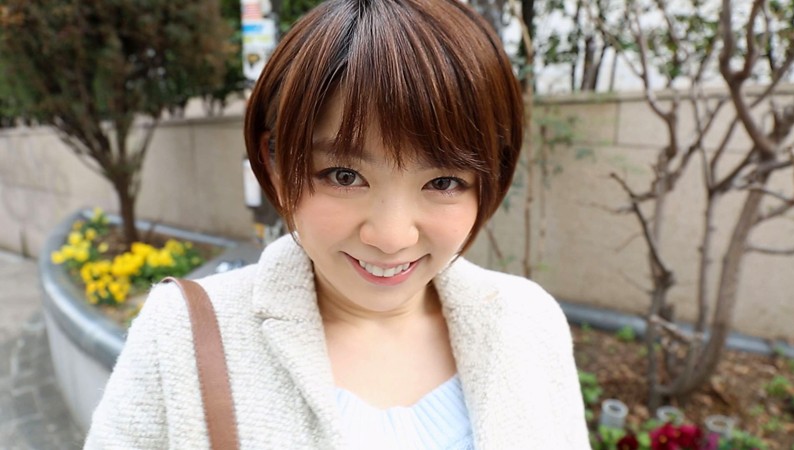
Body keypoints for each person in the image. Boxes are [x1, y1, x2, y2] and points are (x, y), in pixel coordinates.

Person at [84, 0, 590, 448]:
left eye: (443, 182)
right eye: (344, 175)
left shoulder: (528, 321)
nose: (391, 237)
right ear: (275, 164)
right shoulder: (182, 336)